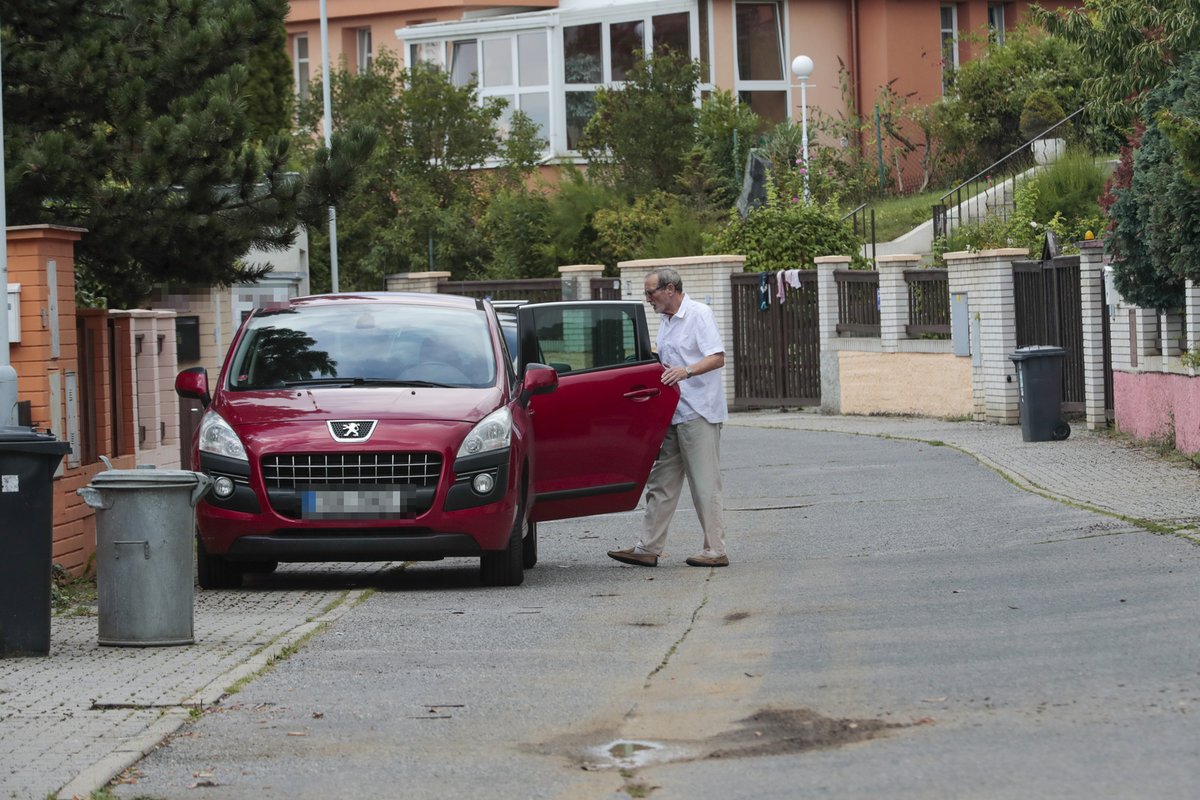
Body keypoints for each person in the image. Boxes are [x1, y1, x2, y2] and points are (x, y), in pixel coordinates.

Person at [608, 267, 730, 568]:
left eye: (651, 292)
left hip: (699, 410)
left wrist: (686, 371)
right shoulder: (665, 321)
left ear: (671, 289)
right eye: (647, 293)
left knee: (704, 483)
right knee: (661, 482)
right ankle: (648, 547)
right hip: (673, 412)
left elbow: (717, 356)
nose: (648, 298)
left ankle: (715, 550)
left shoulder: (698, 314)